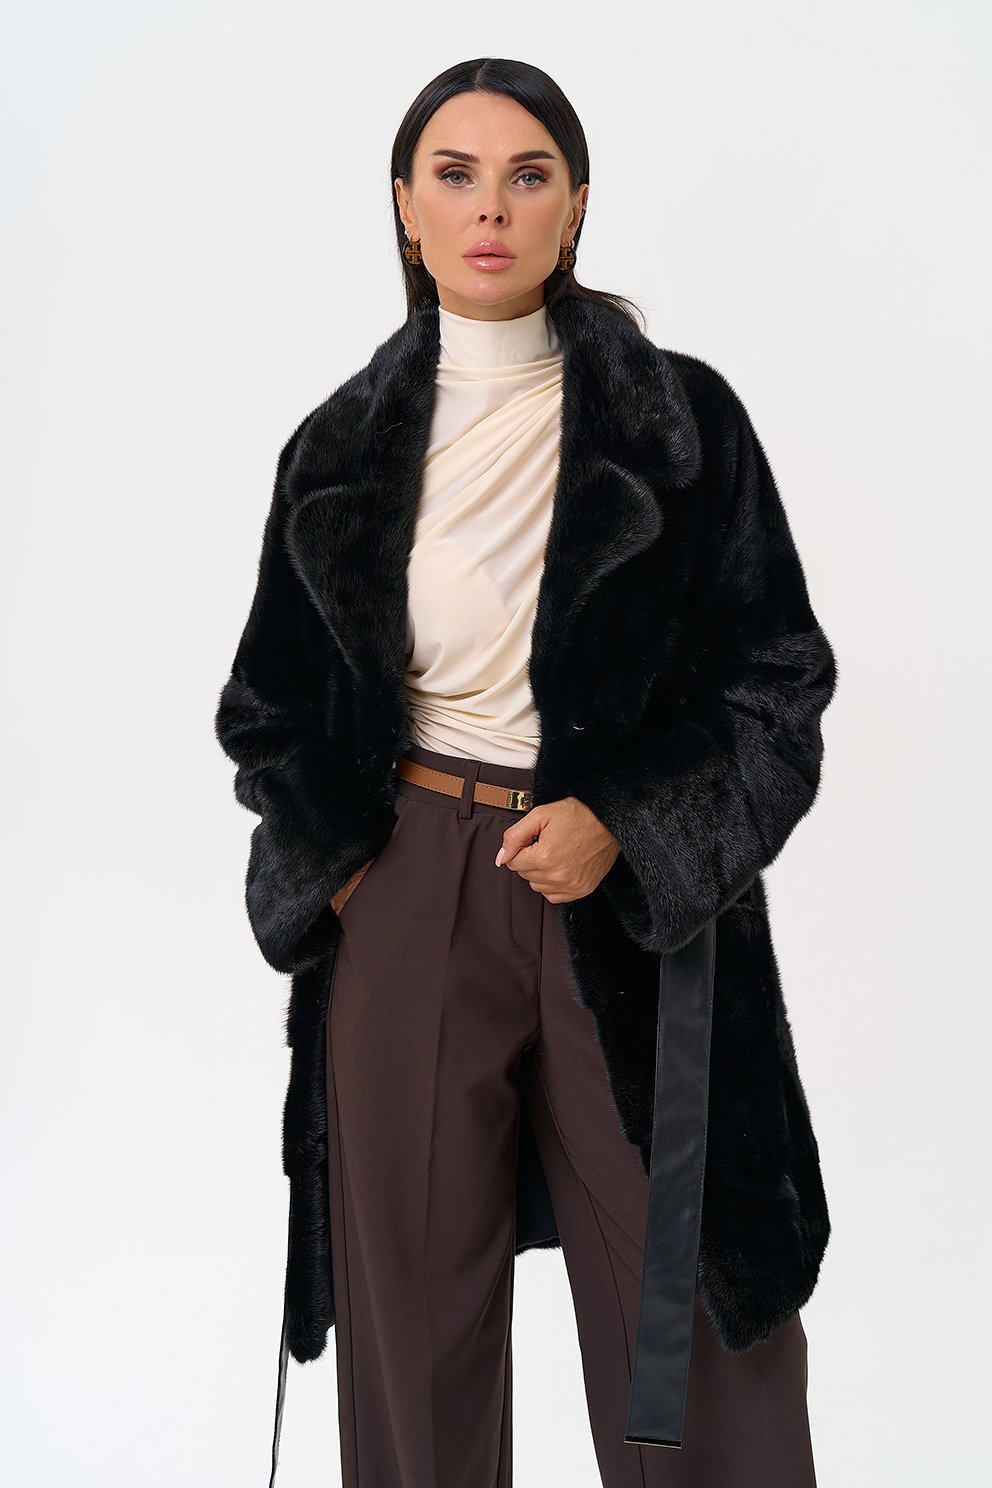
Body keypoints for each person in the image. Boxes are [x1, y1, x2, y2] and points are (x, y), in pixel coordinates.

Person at [215, 56, 836, 1488]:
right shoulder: (336, 449)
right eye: (456, 174)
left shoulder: (682, 422)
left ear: (575, 205)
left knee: (687, 1325)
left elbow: (777, 684)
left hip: (635, 908)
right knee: (413, 1330)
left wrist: (629, 822)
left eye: (527, 175)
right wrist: (351, 864)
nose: (490, 207)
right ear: (406, 206)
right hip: (408, 888)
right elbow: (269, 710)